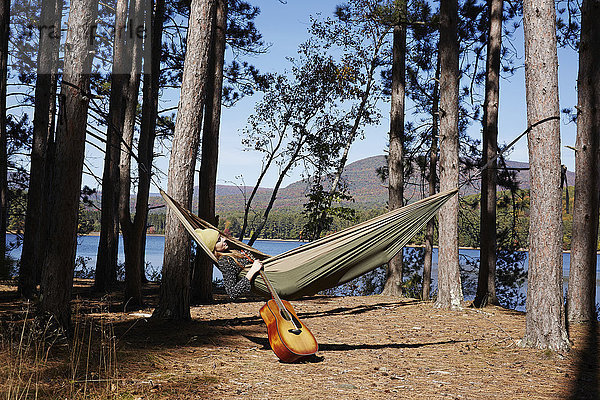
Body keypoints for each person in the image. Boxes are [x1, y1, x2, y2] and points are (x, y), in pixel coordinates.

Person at [195, 228, 263, 300]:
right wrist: (253, 270)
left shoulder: (229, 251)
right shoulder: (225, 261)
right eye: (219, 240)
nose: (224, 239)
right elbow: (232, 293)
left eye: (221, 237)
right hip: (263, 277)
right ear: (213, 247)